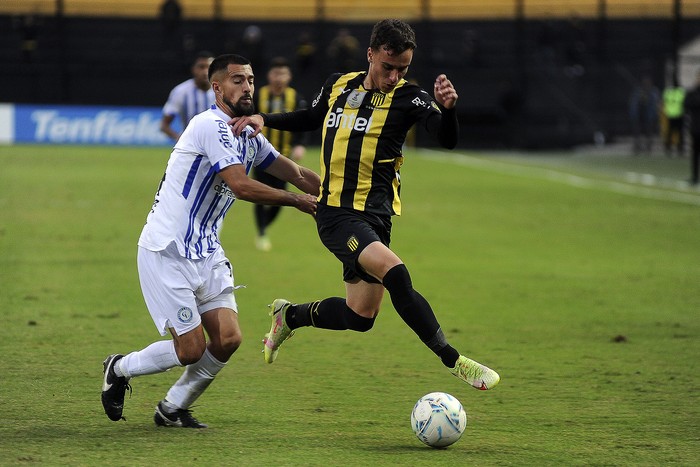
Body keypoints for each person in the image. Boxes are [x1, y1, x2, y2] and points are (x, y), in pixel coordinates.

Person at [230, 19, 500, 391]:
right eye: (387, 67)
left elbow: (446, 138)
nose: (393, 76)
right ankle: (455, 361)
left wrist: (449, 109)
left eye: (401, 69)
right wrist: (265, 118)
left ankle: (289, 316)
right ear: (370, 54)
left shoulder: (410, 98)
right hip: (335, 213)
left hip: (377, 218)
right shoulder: (338, 84)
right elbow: (310, 117)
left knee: (361, 316)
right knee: (396, 273)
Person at [101, 54, 320, 428]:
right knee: (191, 349)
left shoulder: (249, 135)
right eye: (237, 80)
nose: (247, 87)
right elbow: (240, 184)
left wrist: (344, 197)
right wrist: (298, 201)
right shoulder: (209, 125)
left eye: (250, 80)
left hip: (206, 249)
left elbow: (297, 173)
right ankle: (119, 368)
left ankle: (173, 407)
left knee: (229, 338)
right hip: (167, 249)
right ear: (217, 87)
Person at [252, 57, 308, 251]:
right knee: (259, 195)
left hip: (283, 158)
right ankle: (261, 232)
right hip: (259, 155)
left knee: (280, 198)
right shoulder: (258, 95)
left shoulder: (296, 97)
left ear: (289, 76)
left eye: (283, 74)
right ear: (269, 75)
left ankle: (264, 226)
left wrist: (300, 144)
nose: (279, 78)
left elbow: (304, 123)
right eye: (276, 73)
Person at [160, 51, 216, 141]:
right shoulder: (181, 91)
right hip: (191, 145)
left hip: (218, 144)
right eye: (201, 67)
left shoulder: (224, 91)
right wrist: (179, 139)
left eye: (209, 67)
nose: (205, 72)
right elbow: (164, 124)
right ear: (194, 69)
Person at [629, 75, 660, 155]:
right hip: (639, 116)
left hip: (648, 116)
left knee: (649, 132)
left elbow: (655, 103)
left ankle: (648, 147)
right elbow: (634, 104)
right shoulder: (639, 91)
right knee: (637, 131)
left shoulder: (653, 92)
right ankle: (637, 146)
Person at [662, 77, 686, 157]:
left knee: (673, 132)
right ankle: (677, 148)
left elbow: (664, 102)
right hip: (676, 114)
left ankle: (671, 147)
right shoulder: (680, 92)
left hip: (674, 114)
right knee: (676, 132)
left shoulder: (669, 92)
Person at [684, 71, 700, 185]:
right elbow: (687, 104)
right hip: (696, 127)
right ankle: (695, 176)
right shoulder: (693, 92)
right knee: (695, 153)